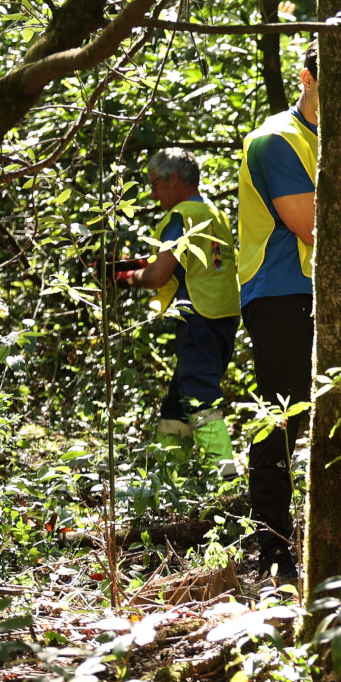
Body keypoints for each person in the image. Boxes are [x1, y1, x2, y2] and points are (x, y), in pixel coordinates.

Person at [237, 41, 319, 585]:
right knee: (283, 416)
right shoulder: (275, 140)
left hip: (329, 289)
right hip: (281, 293)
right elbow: (311, 223)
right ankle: (272, 549)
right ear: (307, 78)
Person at [116, 148, 240, 469]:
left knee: (199, 397)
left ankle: (225, 473)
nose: (153, 193)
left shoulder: (181, 216)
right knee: (177, 401)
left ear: (173, 179)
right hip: (223, 318)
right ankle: (173, 475)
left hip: (197, 317)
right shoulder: (213, 212)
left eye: (155, 184)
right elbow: (192, 262)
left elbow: (158, 274)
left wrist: (126, 278)